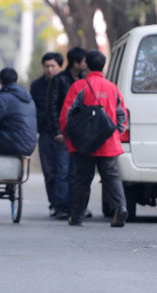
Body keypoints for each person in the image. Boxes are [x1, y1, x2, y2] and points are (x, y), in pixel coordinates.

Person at [59, 49, 129, 228]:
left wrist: (71, 137)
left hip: (84, 143)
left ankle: (77, 216)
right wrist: (116, 134)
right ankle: (120, 208)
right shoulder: (112, 88)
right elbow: (122, 115)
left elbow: (66, 116)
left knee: (83, 179)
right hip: (108, 142)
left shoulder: (79, 86)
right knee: (111, 177)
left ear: (87, 65)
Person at [44, 46, 87, 219]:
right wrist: (57, 131)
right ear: (76, 63)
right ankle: (61, 206)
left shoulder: (85, 79)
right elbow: (52, 107)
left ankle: (75, 206)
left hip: (80, 134)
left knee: (77, 172)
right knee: (62, 170)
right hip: (63, 132)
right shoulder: (59, 80)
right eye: (84, 61)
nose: (86, 64)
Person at [30, 52, 64, 216]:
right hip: (45, 132)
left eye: (53, 66)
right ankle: (54, 204)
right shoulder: (37, 86)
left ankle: (64, 204)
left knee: (64, 171)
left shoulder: (66, 82)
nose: (50, 69)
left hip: (64, 134)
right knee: (49, 171)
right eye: (47, 66)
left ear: (60, 67)